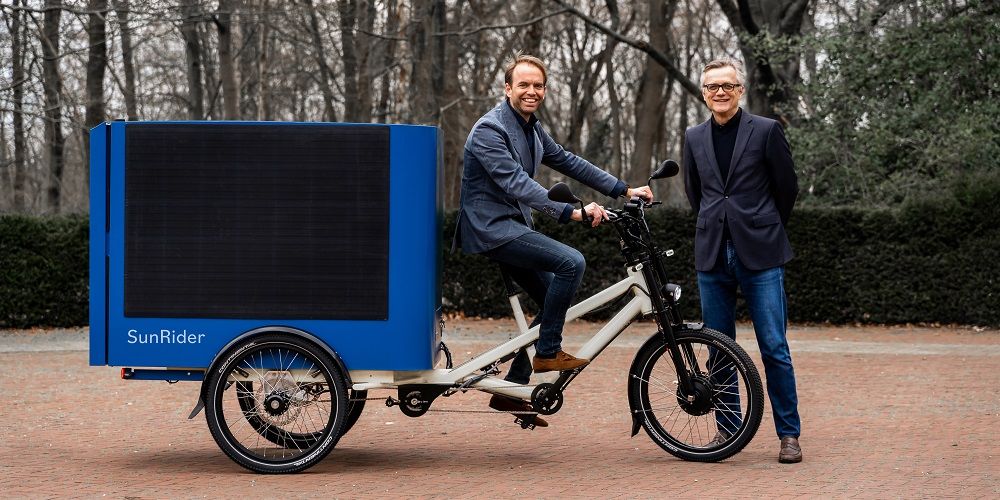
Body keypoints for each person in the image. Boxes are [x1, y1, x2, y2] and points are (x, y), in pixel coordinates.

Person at [456, 54, 653, 427]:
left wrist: (623, 189)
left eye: (538, 85)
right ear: (507, 88)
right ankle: (547, 352)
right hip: (492, 229)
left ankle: (511, 388)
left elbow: (568, 161)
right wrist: (573, 212)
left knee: (550, 301)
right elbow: (516, 183)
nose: (532, 91)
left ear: (544, 90)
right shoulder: (490, 130)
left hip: (513, 225)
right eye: (524, 85)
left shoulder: (531, 127)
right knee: (571, 262)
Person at [682, 58, 803, 463]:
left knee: (774, 347)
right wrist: (718, 224)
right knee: (719, 348)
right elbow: (695, 192)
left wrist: (762, 225)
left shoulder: (766, 130)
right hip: (712, 253)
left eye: (728, 85)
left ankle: (789, 435)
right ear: (703, 92)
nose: (720, 92)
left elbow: (787, 187)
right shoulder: (693, 136)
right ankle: (728, 430)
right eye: (712, 86)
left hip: (761, 253)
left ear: (740, 90)